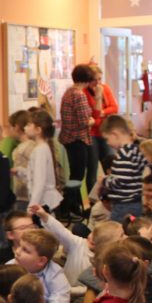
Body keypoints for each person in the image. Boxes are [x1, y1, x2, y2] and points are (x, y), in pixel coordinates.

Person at [58, 65, 95, 219]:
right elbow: (84, 121)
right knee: (77, 175)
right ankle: (66, 206)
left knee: (75, 174)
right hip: (78, 139)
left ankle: (72, 205)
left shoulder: (68, 92)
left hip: (68, 138)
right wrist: (92, 120)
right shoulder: (79, 95)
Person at [14, 229, 71, 303]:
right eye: (19, 246)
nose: (17, 251)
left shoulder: (56, 275)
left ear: (41, 261)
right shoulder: (11, 265)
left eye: (25, 250)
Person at [99, 115, 149, 221]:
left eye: (107, 139)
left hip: (123, 206)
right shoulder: (136, 149)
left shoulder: (123, 154)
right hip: (136, 202)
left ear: (115, 134)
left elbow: (120, 181)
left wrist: (104, 180)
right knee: (132, 227)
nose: (107, 143)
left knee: (119, 229)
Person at [85, 63, 119, 195]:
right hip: (92, 134)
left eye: (100, 79)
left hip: (105, 132)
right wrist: (99, 112)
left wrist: (102, 113)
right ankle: (93, 199)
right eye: (95, 80)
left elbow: (114, 107)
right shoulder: (85, 93)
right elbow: (91, 115)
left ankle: (112, 194)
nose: (98, 83)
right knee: (92, 169)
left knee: (111, 165)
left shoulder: (105, 88)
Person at [24, 111, 64, 214]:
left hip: (43, 202)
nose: (25, 128)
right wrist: (20, 172)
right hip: (43, 201)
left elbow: (39, 182)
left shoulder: (40, 150)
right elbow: (35, 174)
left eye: (28, 125)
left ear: (38, 130)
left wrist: (32, 206)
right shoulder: (41, 148)